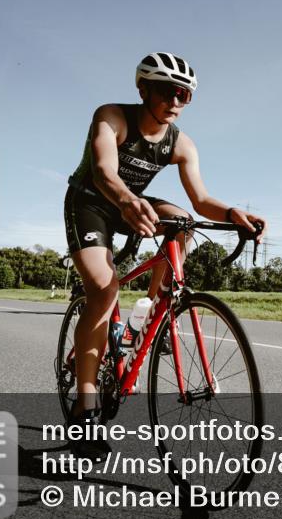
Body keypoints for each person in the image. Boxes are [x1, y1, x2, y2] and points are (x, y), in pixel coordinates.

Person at [63, 51, 266, 459]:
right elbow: (104, 171)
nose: (176, 101)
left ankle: (156, 310)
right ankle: (86, 410)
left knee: (184, 219)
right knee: (104, 292)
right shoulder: (112, 116)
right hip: (92, 201)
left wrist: (230, 213)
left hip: (132, 202)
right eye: (168, 92)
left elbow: (201, 197)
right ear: (143, 90)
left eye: (185, 95)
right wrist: (125, 201)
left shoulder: (181, 143)